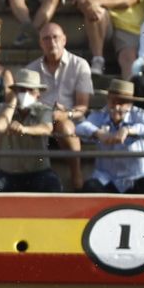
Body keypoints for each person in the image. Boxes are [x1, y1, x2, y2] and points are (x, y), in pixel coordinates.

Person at [27, 22, 91, 183]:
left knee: (64, 125)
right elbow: (26, 104)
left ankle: (76, 173)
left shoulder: (80, 65)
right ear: (41, 43)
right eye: (46, 38)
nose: (51, 42)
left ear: (64, 40)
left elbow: (83, 106)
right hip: (41, 120)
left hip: (71, 121)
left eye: (55, 37)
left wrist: (65, 113)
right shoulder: (31, 69)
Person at [0, 68, 63, 192]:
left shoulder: (44, 110)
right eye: (21, 90)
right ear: (15, 91)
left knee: (53, 184)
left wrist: (24, 129)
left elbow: (47, 128)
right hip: (8, 174)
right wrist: (13, 102)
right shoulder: (3, 109)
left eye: (30, 90)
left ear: (38, 94)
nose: (25, 94)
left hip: (38, 173)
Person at [75, 79, 144, 194]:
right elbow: (80, 128)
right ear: (108, 100)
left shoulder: (140, 115)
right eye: (113, 102)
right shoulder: (99, 115)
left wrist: (128, 130)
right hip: (107, 178)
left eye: (121, 103)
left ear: (130, 104)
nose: (116, 107)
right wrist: (98, 133)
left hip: (137, 175)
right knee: (90, 187)